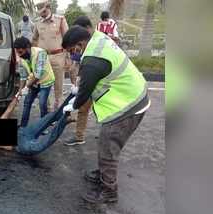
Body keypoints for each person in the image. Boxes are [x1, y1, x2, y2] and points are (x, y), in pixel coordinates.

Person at [62, 26, 151, 204]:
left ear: (80, 44)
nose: (72, 55)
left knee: (108, 149)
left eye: (72, 51)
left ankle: (109, 191)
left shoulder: (92, 60)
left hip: (128, 106)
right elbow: (88, 79)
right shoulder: (98, 39)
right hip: (134, 97)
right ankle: (102, 174)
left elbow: (84, 93)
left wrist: (72, 105)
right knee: (106, 145)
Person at [32, 0, 69, 110]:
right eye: (40, 13)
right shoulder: (37, 22)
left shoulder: (60, 20)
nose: (41, 14)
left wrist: (68, 58)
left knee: (58, 87)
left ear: (48, 8)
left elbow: (67, 39)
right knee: (43, 86)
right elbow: (34, 40)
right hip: (43, 58)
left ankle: (57, 113)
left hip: (58, 57)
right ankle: (46, 114)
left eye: (43, 12)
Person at [64, 16, 95, 146]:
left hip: (100, 83)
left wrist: (75, 103)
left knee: (86, 107)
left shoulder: (96, 45)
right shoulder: (83, 45)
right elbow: (79, 62)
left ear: (88, 28)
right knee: (83, 109)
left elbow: (91, 67)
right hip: (88, 79)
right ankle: (79, 136)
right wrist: (77, 79)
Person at [14, 37, 55, 127]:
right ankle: (23, 126)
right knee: (27, 102)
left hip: (45, 81)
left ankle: (43, 126)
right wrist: (20, 90)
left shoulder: (40, 53)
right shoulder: (21, 59)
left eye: (20, 52)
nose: (19, 55)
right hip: (34, 83)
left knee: (42, 103)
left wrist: (27, 87)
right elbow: (23, 77)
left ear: (28, 47)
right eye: (17, 52)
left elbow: (38, 74)